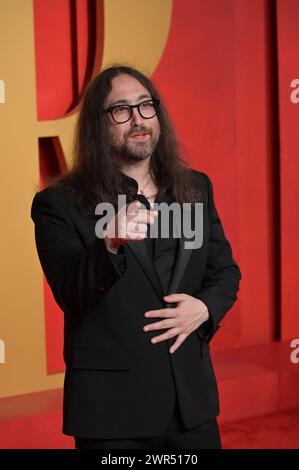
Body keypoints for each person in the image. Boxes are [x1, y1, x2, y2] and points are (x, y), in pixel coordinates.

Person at [31, 65, 241, 449]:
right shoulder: (58, 204)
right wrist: (109, 242)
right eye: (121, 110)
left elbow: (224, 272)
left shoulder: (195, 188)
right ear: (99, 123)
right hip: (112, 414)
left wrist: (205, 310)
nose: (138, 119)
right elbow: (70, 294)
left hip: (191, 406)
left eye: (146, 106)